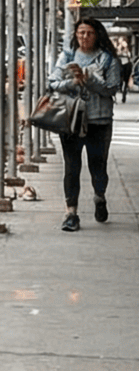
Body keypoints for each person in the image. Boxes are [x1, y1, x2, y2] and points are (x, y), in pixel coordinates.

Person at [48, 15, 120, 232]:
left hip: (99, 121)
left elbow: (111, 88)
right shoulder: (67, 56)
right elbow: (53, 83)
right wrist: (73, 81)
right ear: (76, 35)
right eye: (81, 33)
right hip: (71, 120)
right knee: (71, 167)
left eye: (89, 33)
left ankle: (99, 196)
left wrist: (89, 80)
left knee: (98, 166)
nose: (84, 37)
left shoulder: (107, 59)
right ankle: (71, 213)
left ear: (97, 35)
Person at [118, 39, 132, 104]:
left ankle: (124, 96)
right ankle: (121, 88)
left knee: (125, 82)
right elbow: (117, 54)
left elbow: (129, 56)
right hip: (121, 67)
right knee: (121, 81)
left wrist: (126, 49)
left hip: (127, 67)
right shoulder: (119, 50)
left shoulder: (127, 52)